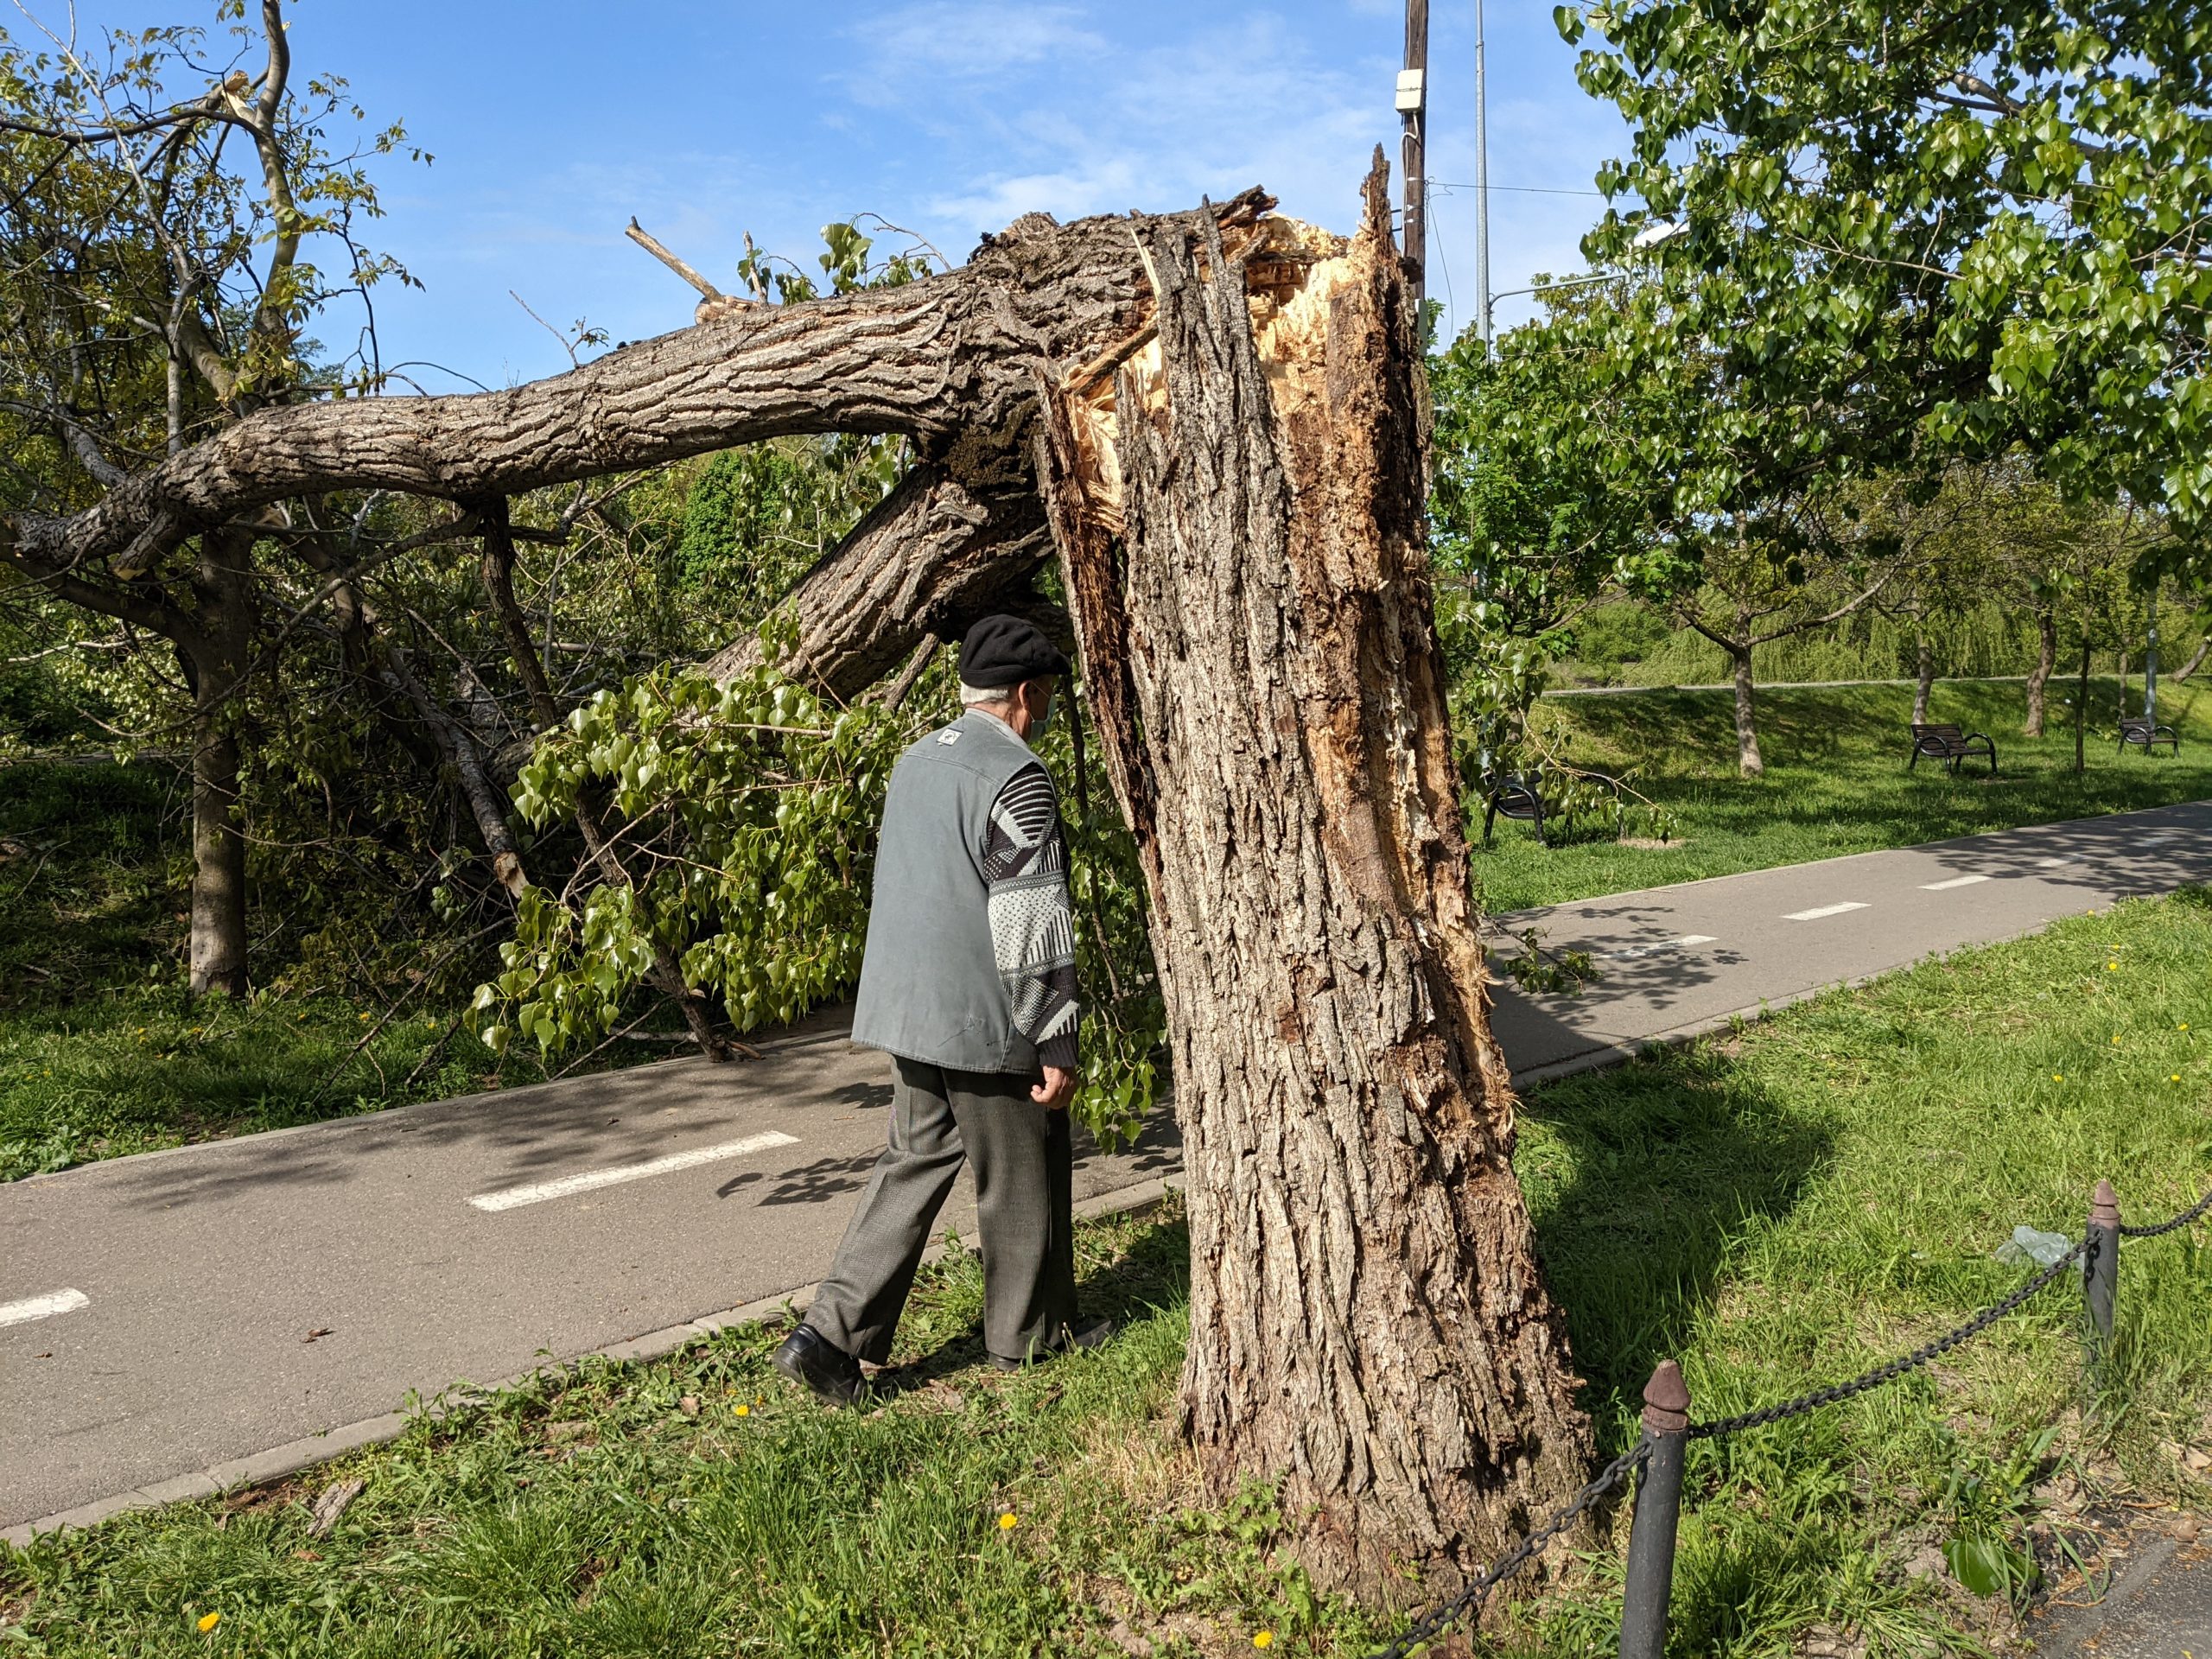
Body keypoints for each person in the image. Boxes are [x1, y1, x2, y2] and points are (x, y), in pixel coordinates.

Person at [773, 613, 1111, 1405]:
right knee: (1024, 1164)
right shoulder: (1017, 777)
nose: (1050, 712)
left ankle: (827, 1336)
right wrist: (1054, 1037)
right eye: (1050, 698)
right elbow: (1030, 917)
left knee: (913, 1160)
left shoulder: (915, 759)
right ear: (1027, 694)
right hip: (985, 1013)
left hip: (908, 1007)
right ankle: (1029, 1340)